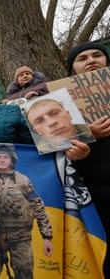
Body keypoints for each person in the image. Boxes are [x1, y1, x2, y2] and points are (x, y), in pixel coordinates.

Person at [0, 144, 53, 278]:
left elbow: (37, 205)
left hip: (21, 237)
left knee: (25, 273)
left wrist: (46, 237)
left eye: (6, 157)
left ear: (12, 160)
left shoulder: (22, 180)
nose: (2, 160)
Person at [66, 42, 110, 277]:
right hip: (94, 195)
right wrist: (88, 134)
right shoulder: (62, 104)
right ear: (73, 69)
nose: (91, 60)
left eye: (97, 55)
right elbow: (55, 147)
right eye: (82, 58)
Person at [25, 98, 94, 153]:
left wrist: (93, 135)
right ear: (37, 131)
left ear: (68, 115)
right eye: (40, 121)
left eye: (55, 113)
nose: (51, 122)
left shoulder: (96, 131)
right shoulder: (39, 158)